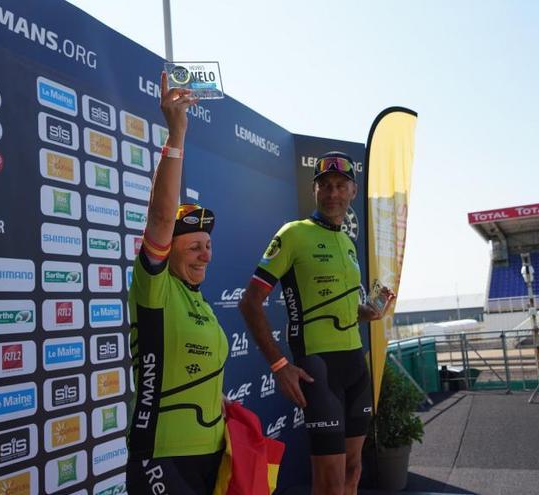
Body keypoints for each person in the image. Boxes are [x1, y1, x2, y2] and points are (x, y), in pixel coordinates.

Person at [239, 152, 395, 495]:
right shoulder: (294, 234)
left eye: (340, 186)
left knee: (353, 472)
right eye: (325, 186)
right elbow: (249, 301)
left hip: (356, 365)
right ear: (315, 191)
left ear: (353, 191)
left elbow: (338, 305)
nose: (332, 193)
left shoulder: (347, 242)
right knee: (329, 483)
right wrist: (279, 365)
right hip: (318, 369)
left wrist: (365, 312)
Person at [126, 72, 227, 495]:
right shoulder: (155, 289)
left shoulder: (199, 302)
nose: (205, 252)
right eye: (194, 245)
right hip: (162, 453)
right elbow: (162, 219)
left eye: (208, 245)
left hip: (214, 453)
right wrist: (177, 133)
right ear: (170, 250)